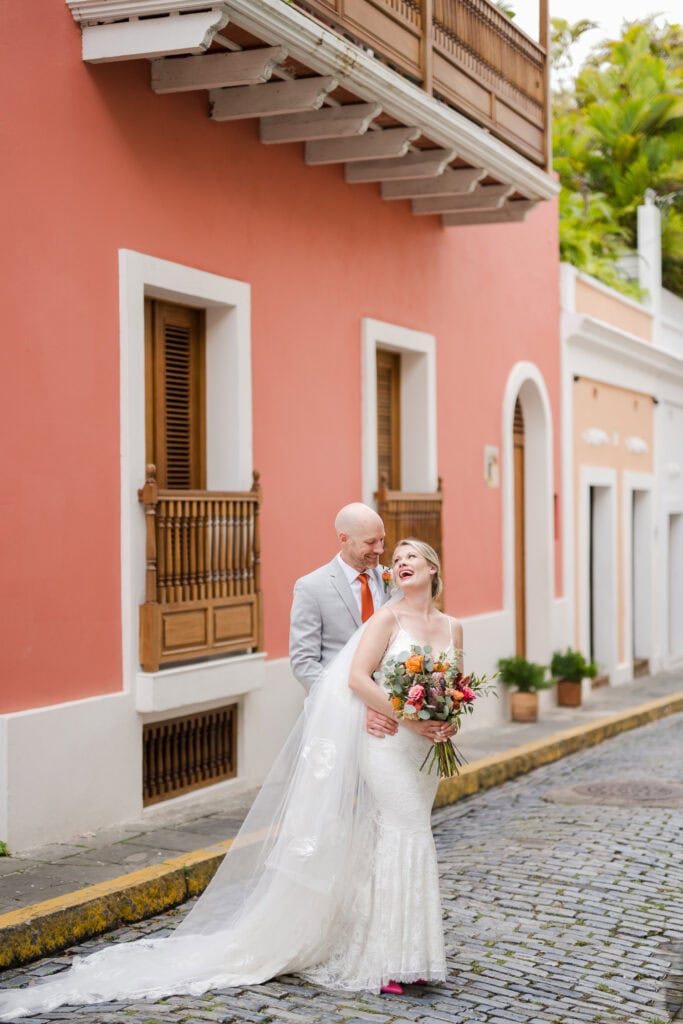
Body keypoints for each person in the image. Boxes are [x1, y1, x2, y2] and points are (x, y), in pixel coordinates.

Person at [0, 539, 460, 1019]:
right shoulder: (386, 618)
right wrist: (409, 717)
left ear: (432, 567)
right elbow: (357, 679)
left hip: (424, 751)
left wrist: (447, 721)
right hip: (386, 742)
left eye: (410, 556)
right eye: (397, 556)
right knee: (402, 835)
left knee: (413, 834)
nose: (400, 561)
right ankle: (387, 961)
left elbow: (455, 688)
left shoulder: (453, 626)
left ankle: (416, 956)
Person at [289, 501, 397, 738]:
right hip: (339, 718)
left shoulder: (391, 578)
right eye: (370, 542)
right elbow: (303, 661)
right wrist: (352, 705)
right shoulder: (311, 587)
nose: (379, 549)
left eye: (382, 540)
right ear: (344, 538)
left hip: (390, 714)